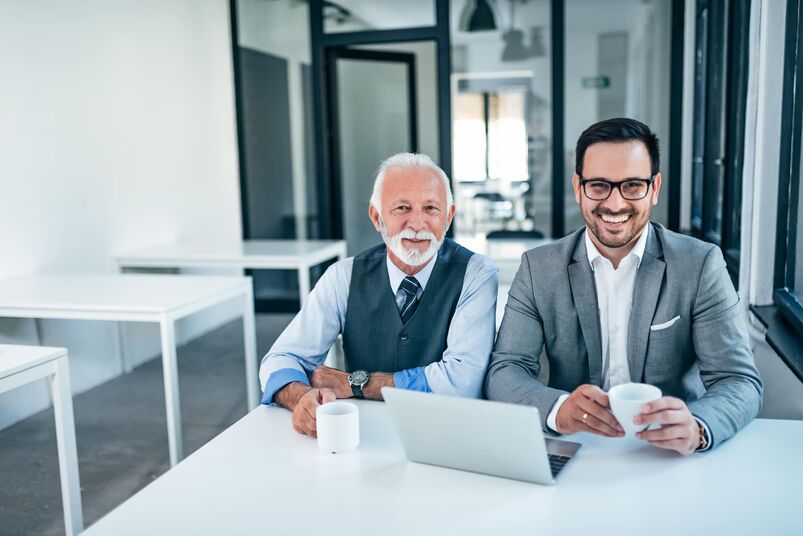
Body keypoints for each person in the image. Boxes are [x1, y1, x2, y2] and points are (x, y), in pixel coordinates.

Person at [485, 118, 762, 454]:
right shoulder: (538, 268)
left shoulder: (700, 264)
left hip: (666, 453)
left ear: (654, 188)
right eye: (599, 185)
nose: (615, 205)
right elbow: (504, 371)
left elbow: (738, 380)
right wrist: (558, 410)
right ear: (578, 188)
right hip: (575, 447)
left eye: (632, 185)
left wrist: (699, 427)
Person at [260, 153, 499, 437]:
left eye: (431, 208)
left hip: (450, 435)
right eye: (402, 208)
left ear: (448, 217)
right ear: (377, 217)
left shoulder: (476, 274)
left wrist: (355, 383)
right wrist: (300, 397)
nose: (418, 223)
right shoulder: (343, 277)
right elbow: (281, 358)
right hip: (365, 436)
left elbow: (462, 382)